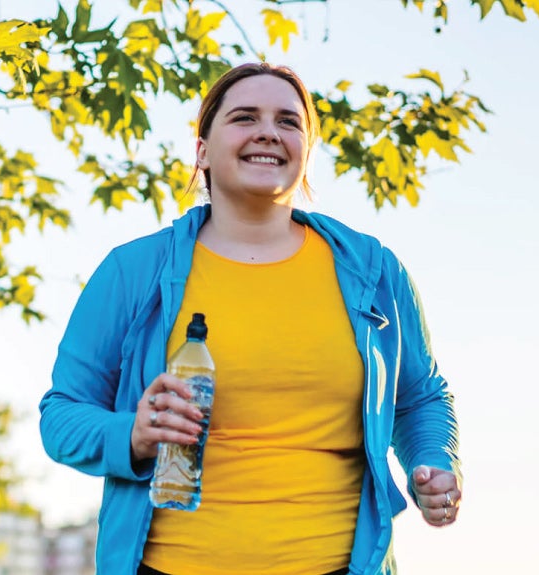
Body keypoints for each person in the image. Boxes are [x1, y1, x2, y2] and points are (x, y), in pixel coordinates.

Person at [39, 63, 461, 575]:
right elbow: (62, 415)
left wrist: (435, 461)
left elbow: (420, 396)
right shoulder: (134, 271)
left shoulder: (371, 269)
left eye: (289, 121)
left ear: (306, 152)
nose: (268, 131)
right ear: (201, 151)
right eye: (245, 117)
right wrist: (133, 433)